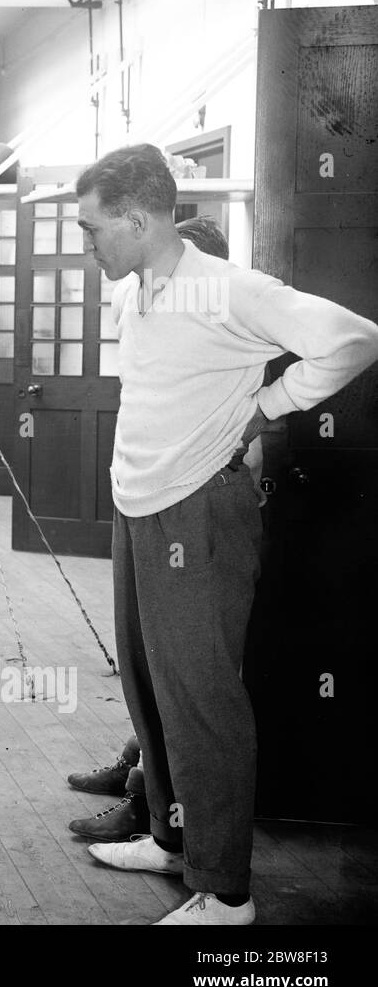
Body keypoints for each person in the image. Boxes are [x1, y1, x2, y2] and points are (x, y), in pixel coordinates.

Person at [74, 144, 378, 924]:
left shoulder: (229, 289)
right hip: (138, 507)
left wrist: (271, 407)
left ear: (139, 220)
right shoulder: (136, 289)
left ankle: (228, 889)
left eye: (94, 229)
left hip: (201, 513)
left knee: (202, 696)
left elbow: (355, 338)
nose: (88, 244)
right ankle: (174, 837)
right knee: (149, 684)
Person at [65, 217, 231, 844]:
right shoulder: (151, 313)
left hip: (200, 519)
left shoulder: (230, 331)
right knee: (149, 664)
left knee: (186, 682)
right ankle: (140, 775)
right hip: (152, 509)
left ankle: (150, 808)